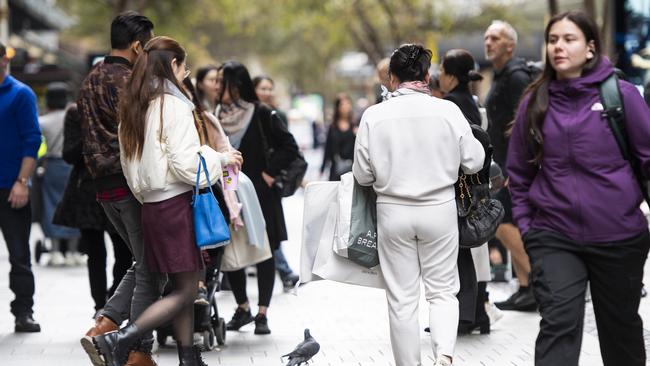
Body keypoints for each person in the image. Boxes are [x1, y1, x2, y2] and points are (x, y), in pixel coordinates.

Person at [507, 11, 650, 366]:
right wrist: (530, 230)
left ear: (589, 48)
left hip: (619, 235)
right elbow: (519, 174)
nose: (558, 46)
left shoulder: (622, 96)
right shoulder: (535, 102)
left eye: (568, 39)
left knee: (621, 330)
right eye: (553, 39)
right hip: (554, 236)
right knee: (558, 325)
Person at [93, 35, 242, 366]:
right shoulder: (172, 104)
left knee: (181, 285)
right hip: (174, 204)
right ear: (172, 65)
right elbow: (186, 164)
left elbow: (132, 163)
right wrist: (220, 158)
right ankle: (121, 338)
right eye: (184, 66)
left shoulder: (136, 103)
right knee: (187, 290)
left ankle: (189, 356)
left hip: (152, 205)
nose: (186, 73)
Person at [353, 43, 485, 366]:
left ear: (391, 78)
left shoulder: (374, 116)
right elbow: (475, 161)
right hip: (439, 210)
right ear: (427, 76)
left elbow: (362, 173)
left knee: (401, 298)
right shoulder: (447, 111)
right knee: (442, 290)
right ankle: (444, 355)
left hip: (392, 212)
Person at [76, 11, 162, 366]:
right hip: (131, 185)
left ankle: (106, 324)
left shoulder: (90, 79)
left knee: (145, 262)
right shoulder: (130, 82)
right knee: (152, 266)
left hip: (102, 188)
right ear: (138, 45)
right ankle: (136, 349)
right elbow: (146, 136)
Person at [216, 61, 301, 335]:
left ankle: (262, 314)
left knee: (265, 252)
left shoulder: (261, 112)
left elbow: (289, 146)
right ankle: (243, 308)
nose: (217, 87)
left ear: (236, 85)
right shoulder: (215, 115)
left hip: (260, 195)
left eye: (222, 82)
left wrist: (269, 172)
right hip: (229, 195)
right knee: (232, 251)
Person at [52, 103, 132, 319]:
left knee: (124, 251)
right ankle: (99, 305)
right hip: (86, 191)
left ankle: (113, 300)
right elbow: (69, 154)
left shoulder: (125, 108)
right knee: (95, 254)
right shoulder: (76, 113)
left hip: (119, 186)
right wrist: (91, 131)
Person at [483, 20, 537, 311]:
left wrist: (517, 169)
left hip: (516, 167)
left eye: (495, 38)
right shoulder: (502, 75)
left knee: (501, 221)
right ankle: (526, 287)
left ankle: (537, 283)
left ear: (510, 45)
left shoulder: (516, 77)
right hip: (505, 165)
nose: (488, 42)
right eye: (487, 38)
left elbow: (525, 124)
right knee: (509, 222)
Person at [438, 48, 492, 335]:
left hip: (458, 189)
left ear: (449, 77)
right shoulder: (470, 100)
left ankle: (465, 315)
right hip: (475, 187)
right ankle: (477, 313)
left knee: (459, 254)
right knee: (474, 252)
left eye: (442, 73)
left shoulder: (450, 105)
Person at [0, 41, 42, 333]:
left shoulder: (20, 94)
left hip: (11, 187)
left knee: (19, 253)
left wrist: (22, 182)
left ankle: (23, 311)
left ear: (3, 59)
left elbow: (32, 140)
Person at [253, 74, 300, 291]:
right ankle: (284, 271)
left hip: (268, 182)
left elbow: (288, 145)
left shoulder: (274, 114)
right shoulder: (248, 114)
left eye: (270, 88)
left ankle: (285, 271)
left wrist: (271, 173)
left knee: (269, 231)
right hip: (252, 182)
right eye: (263, 88)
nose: (267, 92)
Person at [37, 82, 81, 266]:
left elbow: (39, 148)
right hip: (72, 166)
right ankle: (73, 251)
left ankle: (55, 251)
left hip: (52, 166)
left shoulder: (43, 121)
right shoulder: (75, 117)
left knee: (51, 206)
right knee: (74, 205)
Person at [320, 93, 356, 181]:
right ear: (338, 107)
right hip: (336, 170)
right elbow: (327, 149)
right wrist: (322, 169)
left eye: (348, 104)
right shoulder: (333, 127)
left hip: (353, 170)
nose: (346, 107)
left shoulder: (355, 125)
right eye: (342, 104)